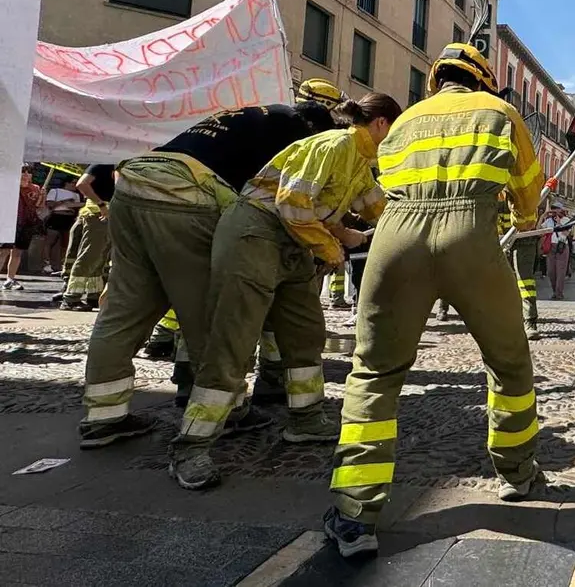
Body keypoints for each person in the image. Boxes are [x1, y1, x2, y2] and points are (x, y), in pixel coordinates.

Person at [325, 43, 544, 558]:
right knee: (508, 361)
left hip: (395, 235)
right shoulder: (500, 112)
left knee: (374, 372)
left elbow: (384, 185)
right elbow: (528, 192)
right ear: (484, 79)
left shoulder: (401, 123)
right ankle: (517, 473)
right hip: (470, 232)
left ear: (436, 79)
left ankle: (356, 515)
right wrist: (519, 223)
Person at [77, 81, 344, 449]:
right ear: (317, 129)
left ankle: (103, 417)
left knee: (125, 308)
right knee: (209, 309)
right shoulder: (299, 133)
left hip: (134, 185)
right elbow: (286, 200)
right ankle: (225, 408)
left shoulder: (253, 116)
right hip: (185, 197)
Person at [168, 92, 396, 489]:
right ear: (380, 125)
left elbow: (382, 208)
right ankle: (191, 444)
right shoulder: (335, 144)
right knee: (234, 337)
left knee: (305, 332)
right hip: (255, 232)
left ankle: (306, 419)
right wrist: (330, 247)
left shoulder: (360, 161)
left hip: (291, 241)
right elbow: (292, 203)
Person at [59, 164, 115, 309]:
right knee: (91, 256)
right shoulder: (105, 165)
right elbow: (82, 184)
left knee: (98, 257)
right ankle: (71, 298)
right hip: (100, 215)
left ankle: (93, 295)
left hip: (92, 213)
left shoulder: (102, 164)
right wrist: (102, 205)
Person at [499, 191, 543, 340]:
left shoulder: (524, 184)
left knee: (525, 282)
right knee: (504, 282)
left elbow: (537, 209)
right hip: (503, 239)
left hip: (524, 237)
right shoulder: (497, 189)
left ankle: (530, 321)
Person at [1, 166, 44, 290]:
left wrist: (42, 197)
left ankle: (10, 279)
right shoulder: (9, 185)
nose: (25, 174)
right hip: (8, 222)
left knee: (17, 252)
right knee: (3, 251)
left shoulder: (35, 188)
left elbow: (39, 207)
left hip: (26, 223)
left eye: (28, 172)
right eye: (22, 171)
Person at [42, 178, 82, 274]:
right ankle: (46, 263)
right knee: (50, 241)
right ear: (66, 183)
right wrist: (65, 202)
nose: (75, 185)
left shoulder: (77, 195)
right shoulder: (55, 191)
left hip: (69, 218)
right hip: (56, 216)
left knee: (67, 242)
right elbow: (50, 204)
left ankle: (63, 264)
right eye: (73, 182)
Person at [544, 202, 571, 300]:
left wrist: (559, 223)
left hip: (562, 246)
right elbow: (539, 229)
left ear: (561, 210)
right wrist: (543, 215)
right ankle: (554, 291)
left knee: (560, 272)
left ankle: (559, 293)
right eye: (553, 208)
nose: (554, 210)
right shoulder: (549, 220)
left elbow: (567, 233)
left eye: (556, 208)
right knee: (551, 271)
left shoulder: (567, 220)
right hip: (551, 247)